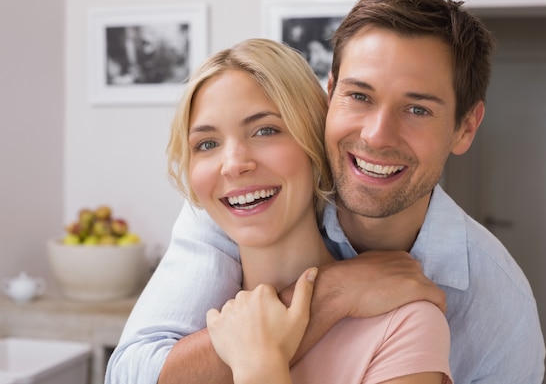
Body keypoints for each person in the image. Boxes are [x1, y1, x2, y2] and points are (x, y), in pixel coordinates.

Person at [106, 0, 545, 384]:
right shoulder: (240, 203)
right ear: (330, 95)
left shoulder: (500, 306)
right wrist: (333, 294)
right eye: (359, 96)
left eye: (417, 110)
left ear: (466, 128)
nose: (376, 135)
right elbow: (130, 374)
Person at [159, 37, 453, 384]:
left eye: (265, 130)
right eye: (207, 144)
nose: (234, 164)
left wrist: (260, 368)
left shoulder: (406, 326)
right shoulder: (188, 335)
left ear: (315, 143)